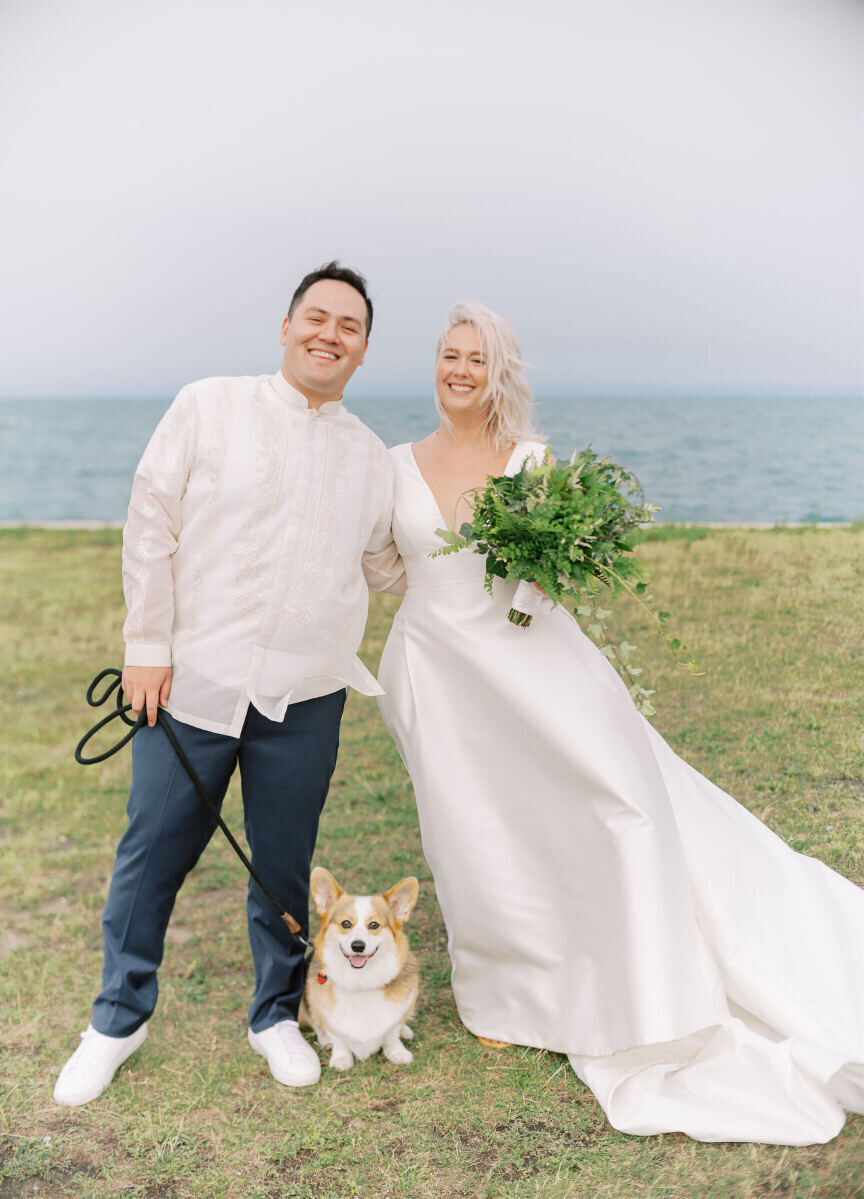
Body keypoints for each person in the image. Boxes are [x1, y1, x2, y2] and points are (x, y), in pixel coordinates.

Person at [376, 300, 864, 1145]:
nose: (460, 370)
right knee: (471, 832)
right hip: (439, 674)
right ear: (436, 364)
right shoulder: (390, 466)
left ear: (500, 373)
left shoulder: (532, 460)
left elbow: (554, 575)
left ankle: (641, 980)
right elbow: (383, 564)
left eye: (476, 359)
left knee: (619, 808)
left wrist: (543, 576)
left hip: (539, 665)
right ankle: (503, 998)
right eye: (450, 355)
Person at [53, 262, 404, 1106]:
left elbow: (389, 563)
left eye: (348, 325)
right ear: (286, 328)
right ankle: (117, 1016)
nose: (329, 333)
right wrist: (146, 646)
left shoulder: (367, 457)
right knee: (152, 856)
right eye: (315, 317)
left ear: (362, 350)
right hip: (191, 686)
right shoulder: (208, 405)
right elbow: (151, 520)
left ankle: (276, 1014)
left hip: (307, 695)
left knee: (282, 868)